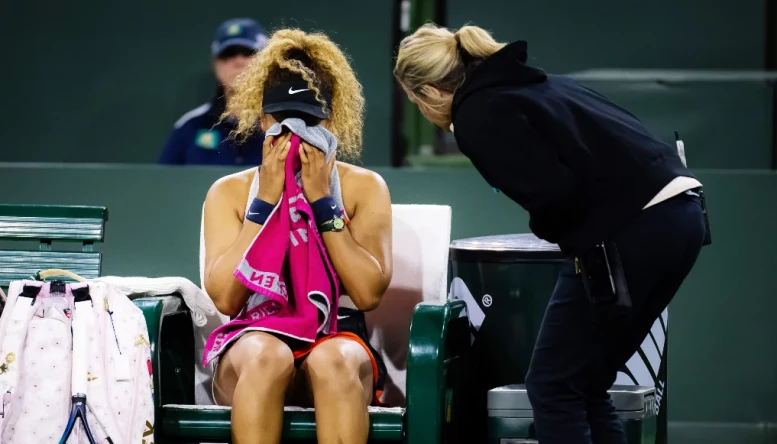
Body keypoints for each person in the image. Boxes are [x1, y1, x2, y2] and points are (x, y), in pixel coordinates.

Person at [394, 24, 708, 444]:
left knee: (553, 386)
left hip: (636, 228)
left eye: (415, 100)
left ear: (430, 92)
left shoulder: (478, 113)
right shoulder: (534, 85)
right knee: (586, 383)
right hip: (683, 216)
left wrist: (569, 243)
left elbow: (554, 197)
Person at [202, 28, 393, 444]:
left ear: (330, 121)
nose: (296, 134)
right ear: (263, 117)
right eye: (283, 120)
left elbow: (367, 294)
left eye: (308, 122)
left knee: (334, 361)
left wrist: (324, 203)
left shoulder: (364, 187)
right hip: (256, 336)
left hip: (335, 333)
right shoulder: (231, 193)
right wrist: (265, 203)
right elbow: (225, 298)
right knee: (267, 356)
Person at [159, 18, 268, 165]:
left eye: (248, 53)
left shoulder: (284, 126)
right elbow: (162, 183)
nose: (238, 61)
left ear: (266, 61)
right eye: (228, 54)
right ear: (215, 64)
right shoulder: (190, 126)